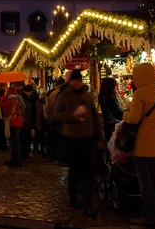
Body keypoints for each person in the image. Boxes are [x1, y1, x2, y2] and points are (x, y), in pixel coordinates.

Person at [123, 63, 155, 227]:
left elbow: (133, 119)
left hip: (143, 142)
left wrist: (126, 112)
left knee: (144, 180)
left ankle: (150, 216)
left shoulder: (139, 93)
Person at [52, 69, 103, 217]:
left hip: (88, 137)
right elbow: (55, 115)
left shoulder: (87, 96)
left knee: (88, 171)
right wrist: (72, 116)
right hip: (72, 137)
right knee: (75, 170)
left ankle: (87, 203)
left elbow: (94, 118)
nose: (77, 84)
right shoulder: (63, 95)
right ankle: (73, 197)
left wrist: (100, 137)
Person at [0, 87, 24, 167]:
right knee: (16, 141)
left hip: (13, 121)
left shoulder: (10, 100)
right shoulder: (18, 99)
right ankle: (16, 159)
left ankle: (16, 160)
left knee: (14, 142)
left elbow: (1, 104)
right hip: (19, 121)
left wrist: (3, 96)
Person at [98, 77, 124, 141]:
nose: (115, 88)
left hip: (108, 125)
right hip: (112, 126)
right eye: (114, 86)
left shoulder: (104, 95)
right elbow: (116, 111)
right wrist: (126, 115)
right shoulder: (108, 97)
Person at [19, 84, 35, 160]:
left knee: (25, 139)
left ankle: (24, 154)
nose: (31, 94)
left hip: (26, 121)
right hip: (25, 122)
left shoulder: (25, 98)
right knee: (24, 139)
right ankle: (23, 155)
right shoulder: (23, 98)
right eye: (30, 92)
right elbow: (25, 111)